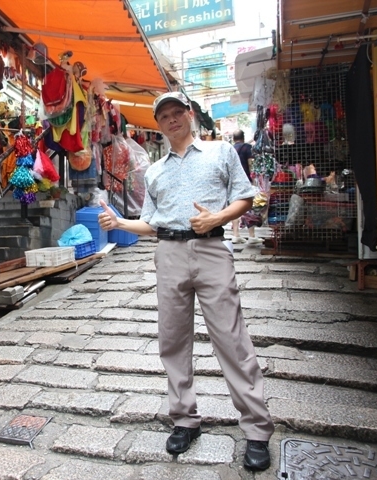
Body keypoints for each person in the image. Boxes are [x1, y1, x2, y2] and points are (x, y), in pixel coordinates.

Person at [98, 92, 274, 471]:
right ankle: (184, 418)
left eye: (178, 112)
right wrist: (120, 223)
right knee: (173, 338)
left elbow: (246, 198)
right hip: (170, 254)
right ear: (158, 124)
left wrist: (216, 220)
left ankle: (257, 429)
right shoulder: (155, 170)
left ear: (190, 115)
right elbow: (152, 222)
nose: (172, 119)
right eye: (165, 116)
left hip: (212, 251)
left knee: (231, 337)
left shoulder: (221, 152)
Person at [230, 130, 262, 245]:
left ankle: (235, 235)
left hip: (232, 182)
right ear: (243, 137)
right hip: (245, 181)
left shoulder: (230, 149)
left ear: (233, 138)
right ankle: (252, 236)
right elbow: (250, 164)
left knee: (234, 206)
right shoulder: (247, 148)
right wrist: (254, 181)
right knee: (249, 207)